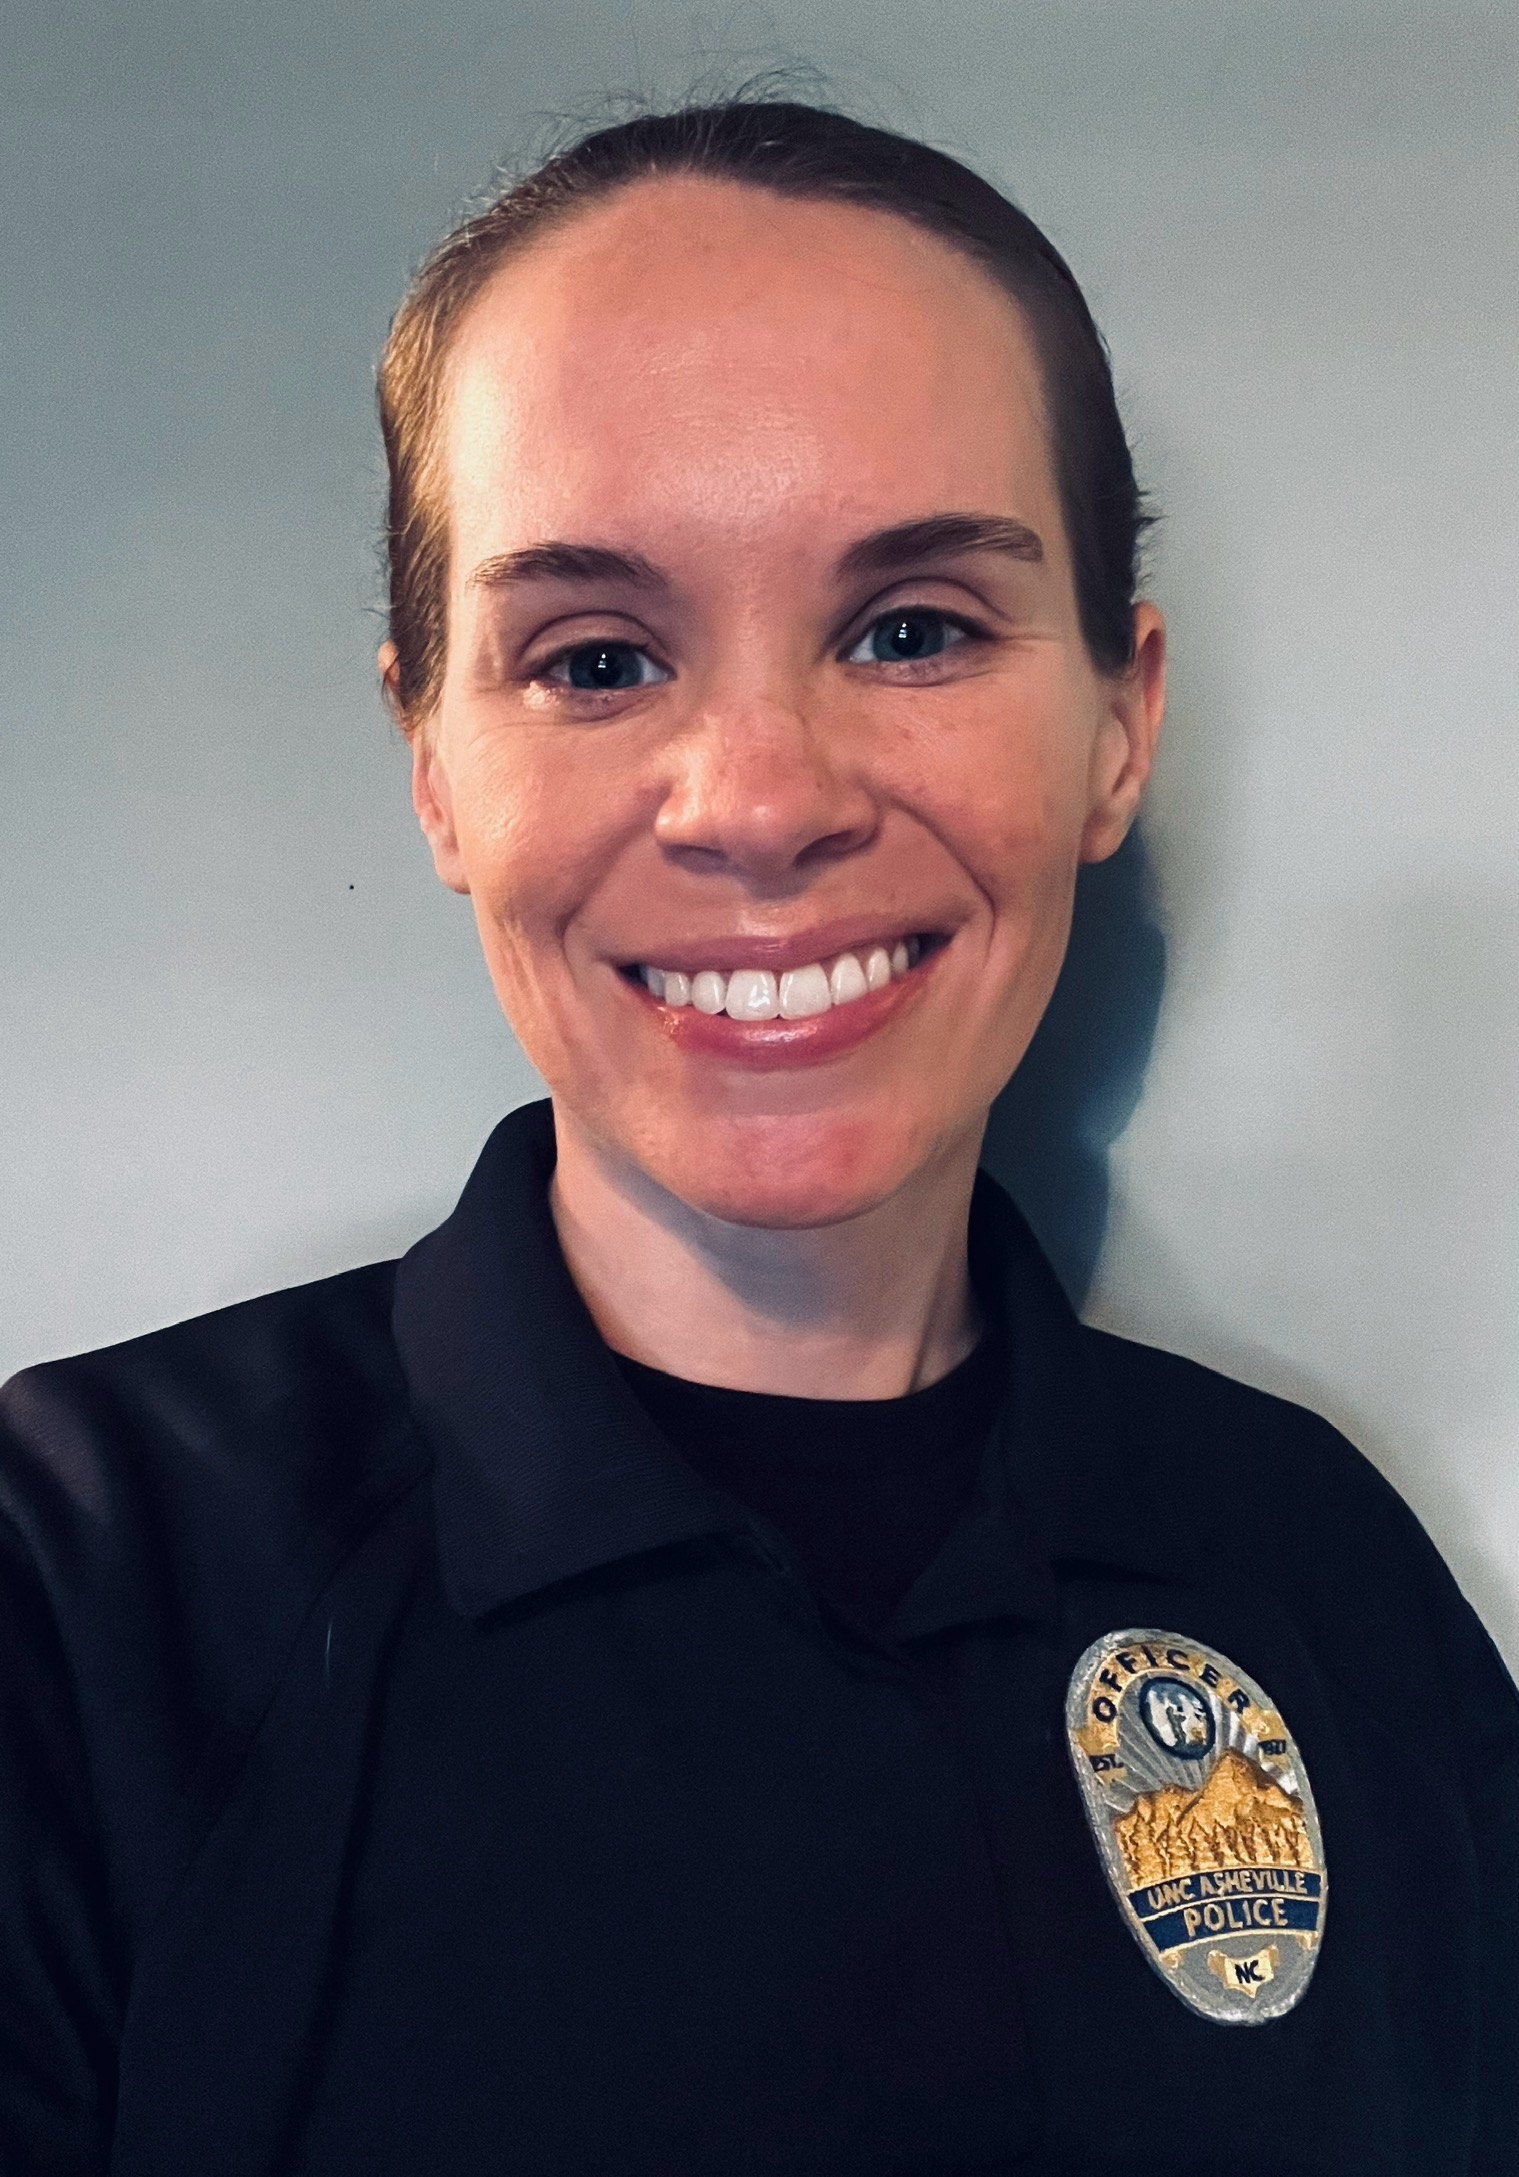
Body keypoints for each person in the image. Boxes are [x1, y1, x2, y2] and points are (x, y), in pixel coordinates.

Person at [0, 95, 1513, 2177]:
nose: (760, 800)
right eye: (598, 659)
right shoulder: (76, 1597)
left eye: (914, 629)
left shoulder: (1324, 1572)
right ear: (434, 770)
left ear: (1119, 722)